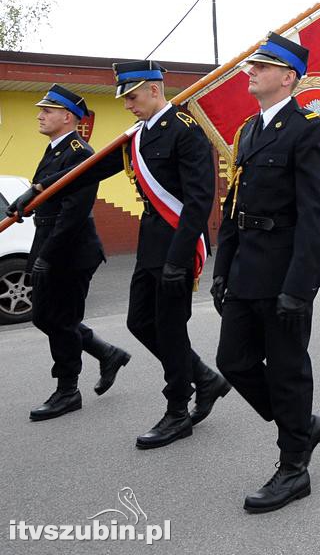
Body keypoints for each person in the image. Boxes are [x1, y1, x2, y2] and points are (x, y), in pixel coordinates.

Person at [32, 61, 228, 448]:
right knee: (140, 322)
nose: (127, 105)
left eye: (132, 96)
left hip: (176, 242)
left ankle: (177, 411)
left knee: (171, 329)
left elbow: (198, 200)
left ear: (155, 89)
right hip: (151, 240)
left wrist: (179, 257)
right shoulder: (138, 135)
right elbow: (89, 169)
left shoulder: (186, 133)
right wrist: (38, 190)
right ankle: (204, 378)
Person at [212, 34, 320, 513]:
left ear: (288, 77)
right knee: (234, 361)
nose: (251, 71)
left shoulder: (308, 129)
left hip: (285, 269)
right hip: (246, 268)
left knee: (286, 369)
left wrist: (299, 284)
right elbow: (234, 205)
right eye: (253, 66)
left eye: (262, 66)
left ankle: (294, 467)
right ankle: (302, 424)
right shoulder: (250, 131)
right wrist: (223, 270)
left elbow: (316, 212)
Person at [5, 85, 131, 421]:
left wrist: (48, 254)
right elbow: (48, 196)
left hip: (71, 250)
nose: (40, 115)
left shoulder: (79, 152)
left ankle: (67, 391)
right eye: (40, 110)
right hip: (49, 242)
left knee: (59, 319)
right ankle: (107, 353)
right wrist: (26, 204)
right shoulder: (54, 150)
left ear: (67, 116)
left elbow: (74, 212)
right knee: (47, 317)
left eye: (47, 110)